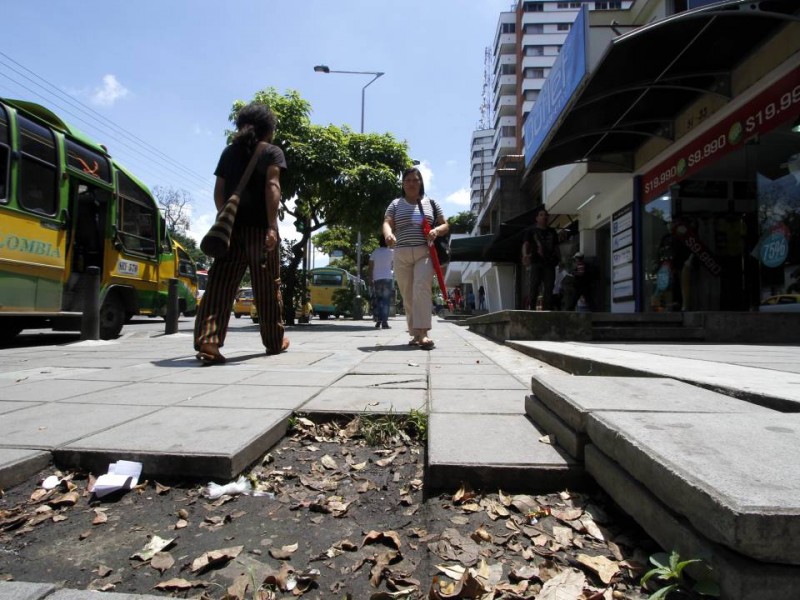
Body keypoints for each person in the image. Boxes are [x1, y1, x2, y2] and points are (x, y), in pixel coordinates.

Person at [194, 103, 288, 364]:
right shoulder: (272, 152)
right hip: (260, 232)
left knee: (220, 288)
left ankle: (209, 341)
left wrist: (227, 220)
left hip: (232, 232)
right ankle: (274, 341)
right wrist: (272, 226)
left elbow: (219, 191)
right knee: (268, 288)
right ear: (268, 129)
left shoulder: (229, 152)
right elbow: (272, 186)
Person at [383, 167, 449, 350]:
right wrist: (389, 235)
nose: (411, 183)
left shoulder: (431, 203)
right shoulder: (395, 204)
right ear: (403, 184)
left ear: (421, 183)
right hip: (401, 253)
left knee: (421, 288)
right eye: (407, 180)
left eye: (415, 180)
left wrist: (436, 230)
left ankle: (424, 333)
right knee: (408, 295)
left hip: (424, 252)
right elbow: (387, 222)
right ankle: (415, 333)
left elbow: (445, 225)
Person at [521, 206, 560, 310]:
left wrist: (558, 259)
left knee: (549, 288)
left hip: (550, 263)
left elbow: (556, 246)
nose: (544, 217)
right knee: (534, 287)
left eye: (546, 215)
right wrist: (525, 255)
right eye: (541, 215)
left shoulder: (552, 232)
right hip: (536, 262)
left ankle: (546, 310)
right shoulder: (531, 231)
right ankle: (532, 310)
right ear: (537, 218)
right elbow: (526, 244)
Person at [368, 236, 393, 329]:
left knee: (379, 300)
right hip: (387, 278)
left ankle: (378, 320)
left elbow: (370, 267)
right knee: (386, 300)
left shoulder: (375, 252)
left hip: (377, 278)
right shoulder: (391, 252)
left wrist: (370, 278)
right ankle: (385, 322)